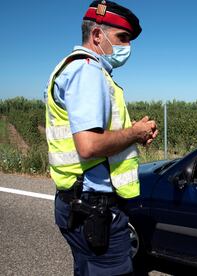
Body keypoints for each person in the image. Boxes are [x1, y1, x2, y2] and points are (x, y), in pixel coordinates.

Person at [44, 1, 158, 275]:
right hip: (92, 207)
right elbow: (89, 145)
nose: (127, 48)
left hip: (78, 202)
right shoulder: (88, 71)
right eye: (122, 38)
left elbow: (93, 136)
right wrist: (134, 133)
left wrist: (133, 134)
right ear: (97, 35)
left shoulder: (76, 68)